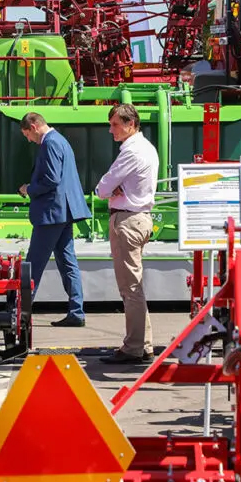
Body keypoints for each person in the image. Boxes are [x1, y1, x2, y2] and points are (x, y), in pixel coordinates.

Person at [94, 104, 159, 364]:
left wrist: (111, 189)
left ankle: (133, 348)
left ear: (130, 124)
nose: (111, 130)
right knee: (135, 287)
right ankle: (143, 344)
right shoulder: (147, 148)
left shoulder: (131, 151)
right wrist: (114, 187)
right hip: (139, 218)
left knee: (130, 289)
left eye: (115, 125)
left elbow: (102, 188)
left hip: (127, 220)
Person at [19, 112, 91, 327]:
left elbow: (51, 179)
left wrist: (29, 189)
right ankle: (76, 311)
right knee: (68, 262)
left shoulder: (49, 143)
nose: (29, 140)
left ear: (33, 126)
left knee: (33, 264)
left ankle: (21, 313)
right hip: (64, 212)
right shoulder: (60, 140)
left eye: (27, 135)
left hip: (51, 214)